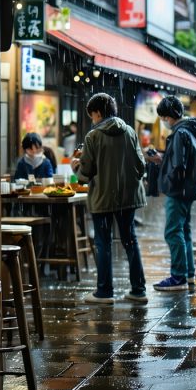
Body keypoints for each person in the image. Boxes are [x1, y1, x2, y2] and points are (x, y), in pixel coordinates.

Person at [71, 93, 148, 304]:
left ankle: (104, 292)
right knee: (130, 240)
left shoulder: (93, 136)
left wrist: (76, 167)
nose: (92, 120)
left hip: (103, 199)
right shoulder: (130, 132)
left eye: (92, 115)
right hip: (128, 198)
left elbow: (86, 173)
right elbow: (141, 167)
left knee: (103, 243)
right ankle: (138, 290)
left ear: (97, 113)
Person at [145, 96, 196, 291]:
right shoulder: (190, 130)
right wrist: (163, 159)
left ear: (169, 116)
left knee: (172, 232)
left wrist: (166, 179)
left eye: (164, 117)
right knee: (183, 231)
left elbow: (178, 165)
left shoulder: (180, 133)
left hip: (179, 190)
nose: (164, 121)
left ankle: (178, 276)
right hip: (189, 188)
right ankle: (188, 273)